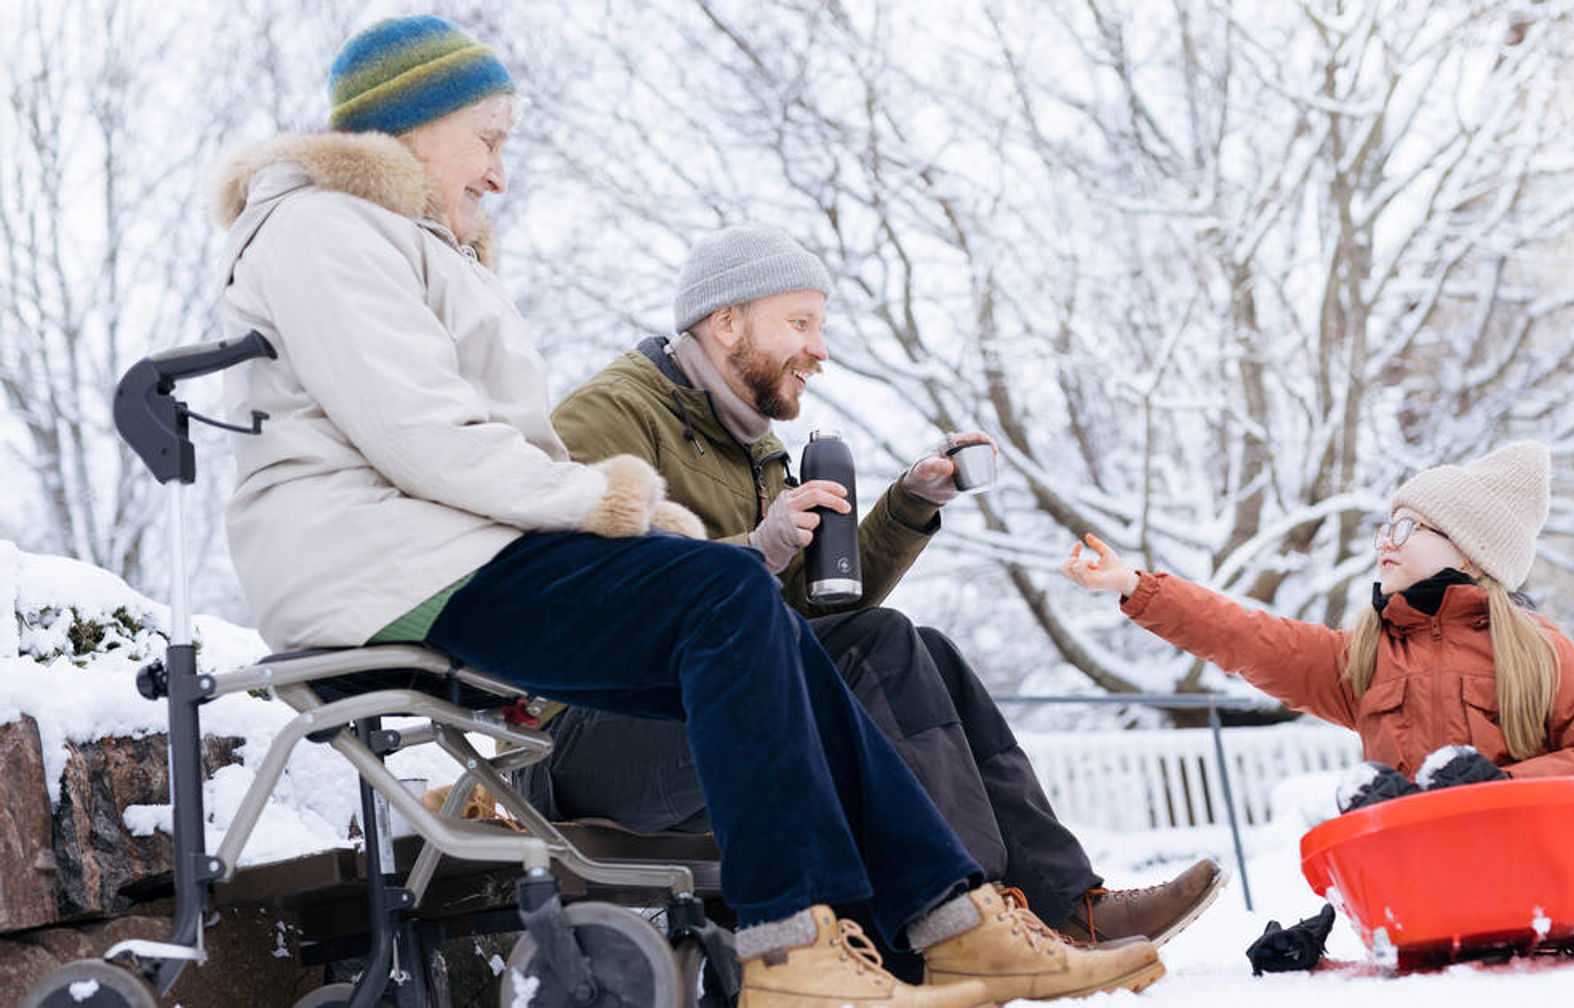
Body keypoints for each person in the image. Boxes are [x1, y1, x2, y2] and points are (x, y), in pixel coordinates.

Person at [211, 15, 1163, 1006]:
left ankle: (948, 917)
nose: (499, 173)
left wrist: (797, 527)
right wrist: (625, 508)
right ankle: (797, 945)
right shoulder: (324, 226)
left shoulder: (408, 242)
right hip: (382, 570)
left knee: (769, 619)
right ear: (416, 123)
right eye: (488, 140)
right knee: (722, 592)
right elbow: (426, 435)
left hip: (436, 556)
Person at [538, 224, 1223, 947]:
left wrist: (911, 502)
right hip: (596, 733)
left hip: (719, 699)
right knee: (881, 643)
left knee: (930, 653)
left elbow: (811, 618)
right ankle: (968, 918)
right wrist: (753, 551)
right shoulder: (611, 412)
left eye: (821, 326)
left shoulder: (757, 448)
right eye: (799, 323)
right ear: (726, 319)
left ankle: (1061, 905)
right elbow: (585, 595)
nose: (820, 349)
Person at [1061, 441, 1574, 811]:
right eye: (1385, 527)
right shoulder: (1366, 658)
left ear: (1469, 552)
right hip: (1426, 897)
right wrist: (1133, 587)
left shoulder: (1538, 651)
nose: (1385, 542)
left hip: (1529, 881)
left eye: (1409, 528)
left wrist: (1497, 788)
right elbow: (1247, 637)